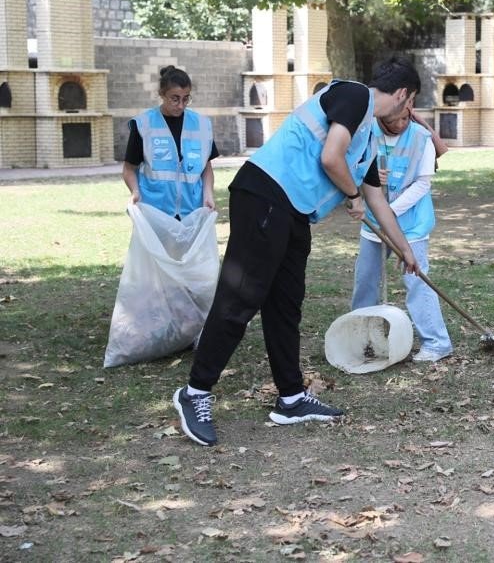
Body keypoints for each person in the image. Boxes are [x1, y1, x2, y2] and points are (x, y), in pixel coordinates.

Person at [172, 57, 422, 447]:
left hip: (293, 212)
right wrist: (352, 196)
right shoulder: (354, 96)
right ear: (403, 94)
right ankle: (195, 392)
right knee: (241, 298)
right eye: (411, 105)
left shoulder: (369, 137)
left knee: (285, 305)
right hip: (264, 194)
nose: (410, 114)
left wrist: (405, 250)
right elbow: (330, 157)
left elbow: (380, 202)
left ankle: (290, 398)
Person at [351, 107, 452, 362]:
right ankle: (363, 341)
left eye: (404, 118)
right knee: (365, 281)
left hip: (411, 225)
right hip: (374, 226)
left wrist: (389, 212)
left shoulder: (421, 137)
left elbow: (422, 183)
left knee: (417, 281)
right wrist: (369, 178)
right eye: (391, 120)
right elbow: (349, 170)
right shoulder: (365, 133)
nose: (399, 124)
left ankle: (436, 342)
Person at [122, 65, 217, 218]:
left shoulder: (202, 125)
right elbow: (128, 169)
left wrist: (208, 194)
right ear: (162, 94)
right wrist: (135, 192)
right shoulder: (143, 124)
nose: (181, 105)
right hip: (155, 211)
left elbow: (206, 167)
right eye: (175, 99)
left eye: (186, 99)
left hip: (192, 211)